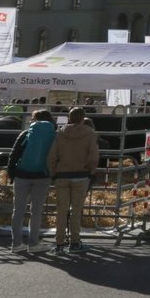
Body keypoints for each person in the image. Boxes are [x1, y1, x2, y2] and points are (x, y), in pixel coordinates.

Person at [47, 108, 100, 253]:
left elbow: (52, 156)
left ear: (69, 118)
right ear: (83, 118)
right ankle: (74, 242)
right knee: (76, 211)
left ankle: (59, 243)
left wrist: (53, 173)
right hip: (81, 175)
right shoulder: (90, 133)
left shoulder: (60, 133)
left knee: (61, 211)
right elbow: (94, 157)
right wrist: (91, 172)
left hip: (62, 175)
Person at [7, 109, 57, 253]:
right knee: (36, 211)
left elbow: (14, 155)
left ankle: (16, 244)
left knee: (18, 210)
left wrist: (12, 174)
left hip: (22, 175)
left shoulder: (26, 134)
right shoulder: (54, 135)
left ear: (35, 120)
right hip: (42, 176)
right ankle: (34, 244)